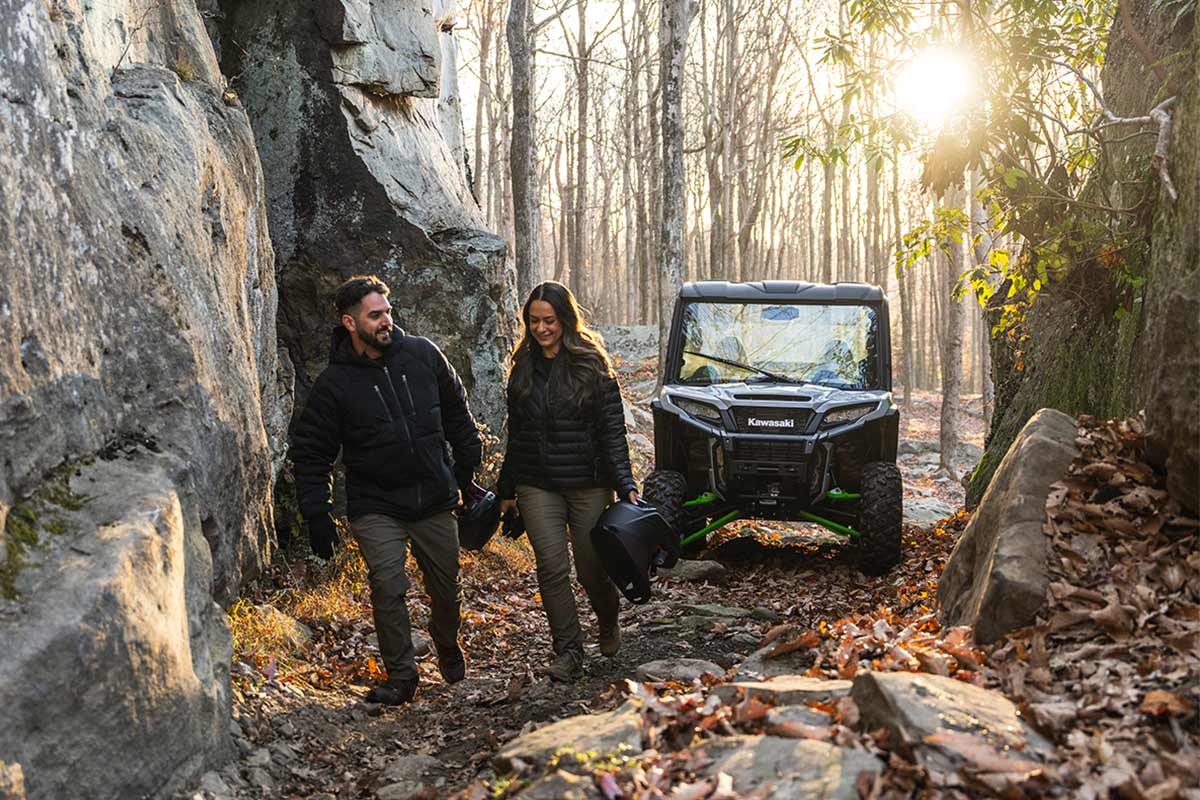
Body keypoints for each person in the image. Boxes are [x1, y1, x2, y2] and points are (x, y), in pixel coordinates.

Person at [290, 275, 482, 705]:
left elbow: (456, 409)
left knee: (446, 588)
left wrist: (468, 460)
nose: (386, 321)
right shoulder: (334, 385)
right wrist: (316, 512)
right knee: (388, 584)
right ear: (349, 322)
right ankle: (402, 675)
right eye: (375, 315)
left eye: (388, 312)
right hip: (376, 504)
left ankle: (445, 642)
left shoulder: (423, 355)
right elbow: (312, 452)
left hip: (433, 496)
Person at [498, 281, 638, 681]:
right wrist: (506, 489)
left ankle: (608, 620)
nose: (541, 328)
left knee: (591, 568)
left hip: (588, 483)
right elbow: (517, 435)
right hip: (536, 484)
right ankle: (569, 650)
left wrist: (625, 484)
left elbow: (613, 432)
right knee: (551, 568)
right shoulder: (522, 366)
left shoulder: (592, 364)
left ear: (566, 320)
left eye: (550, 321)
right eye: (534, 321)